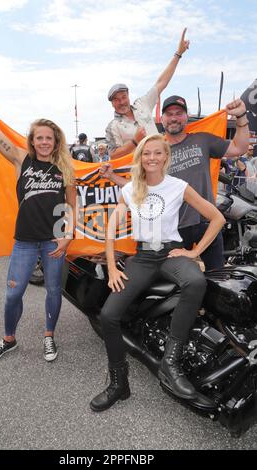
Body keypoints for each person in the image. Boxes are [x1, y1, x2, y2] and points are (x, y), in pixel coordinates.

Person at [90, 134, 225, 412]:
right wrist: (113, 266)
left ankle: (170, 362)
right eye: (146, 153)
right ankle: (119, 384)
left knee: (195, 281)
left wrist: (192, 251)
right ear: (140, 158)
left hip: (170, 253)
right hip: (143, 257)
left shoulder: (179, 186)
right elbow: (111, 227)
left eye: (157, 153)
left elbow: (217, 218)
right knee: (108, 315)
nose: (151, 158)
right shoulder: (131, 189)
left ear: (166, 157)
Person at [0, 82, 76, 363]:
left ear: (56, 141)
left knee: (53, 292)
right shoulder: (21, 159)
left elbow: (71, 206)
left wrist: (68, 234)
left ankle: (49, 336)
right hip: (24, 240)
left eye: (49, 138)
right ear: (32, 141)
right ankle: (9, 339)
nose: (45, 142)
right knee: (13, 295)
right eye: (40, 138)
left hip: (53, 241)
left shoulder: (64, 168)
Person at [101, 96, 249, 270]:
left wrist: (241, 117)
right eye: (169, 114)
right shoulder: (155, 150)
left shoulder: (202, 140)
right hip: (171, 230)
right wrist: (111, 177)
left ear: (186, 117)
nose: (173, 118)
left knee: (216, 277)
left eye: (179, 113)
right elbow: (138, 186)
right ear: (162, 119)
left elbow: (240, 148)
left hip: (205, 223)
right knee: (174, 283)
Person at [105, 28, 190, 160]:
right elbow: (113, 155)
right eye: (116, 100)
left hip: (163, 167)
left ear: (128, 96)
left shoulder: (142, 104)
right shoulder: (112, 126)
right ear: (112, 103)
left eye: (123, 97)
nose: (121, 102)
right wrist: (134, 141)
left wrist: (178, 54)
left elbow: (161, 82)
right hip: (138, 175)